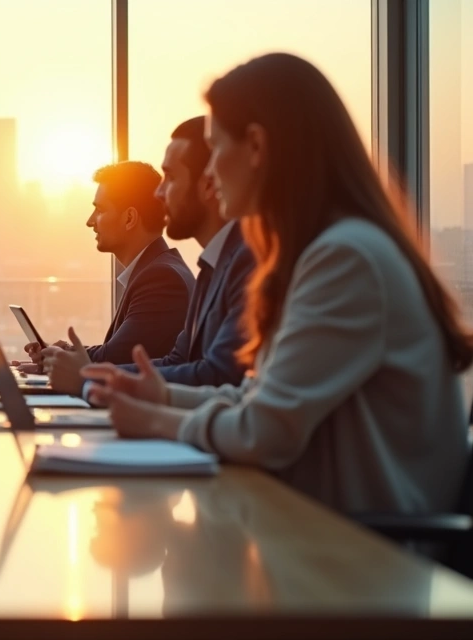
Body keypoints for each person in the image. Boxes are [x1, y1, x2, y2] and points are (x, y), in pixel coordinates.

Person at [83, 52, 473, 514]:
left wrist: (158, 421)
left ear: (255, 146)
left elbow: (263, 431)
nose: (208, 174)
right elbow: (259, 397)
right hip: (329, 539)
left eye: (216, 148)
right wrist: (163, 395)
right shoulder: (325, 251)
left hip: (366, 558)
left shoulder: (345, 258)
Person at [55, 118, 255, 400]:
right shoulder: (211, 268)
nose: (159, 194)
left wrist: (87, 377)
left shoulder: (232, 265)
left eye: (170, 178)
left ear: (209, 185)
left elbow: (217, 375)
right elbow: (178, 363)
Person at [21, 161, 194, 393]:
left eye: (100, 210)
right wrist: (61, 355)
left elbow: (115, 359)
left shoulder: (161, 278)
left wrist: (65, 358)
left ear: (129, 218)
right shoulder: (154, 269)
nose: (90, 221)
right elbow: (113, 354)